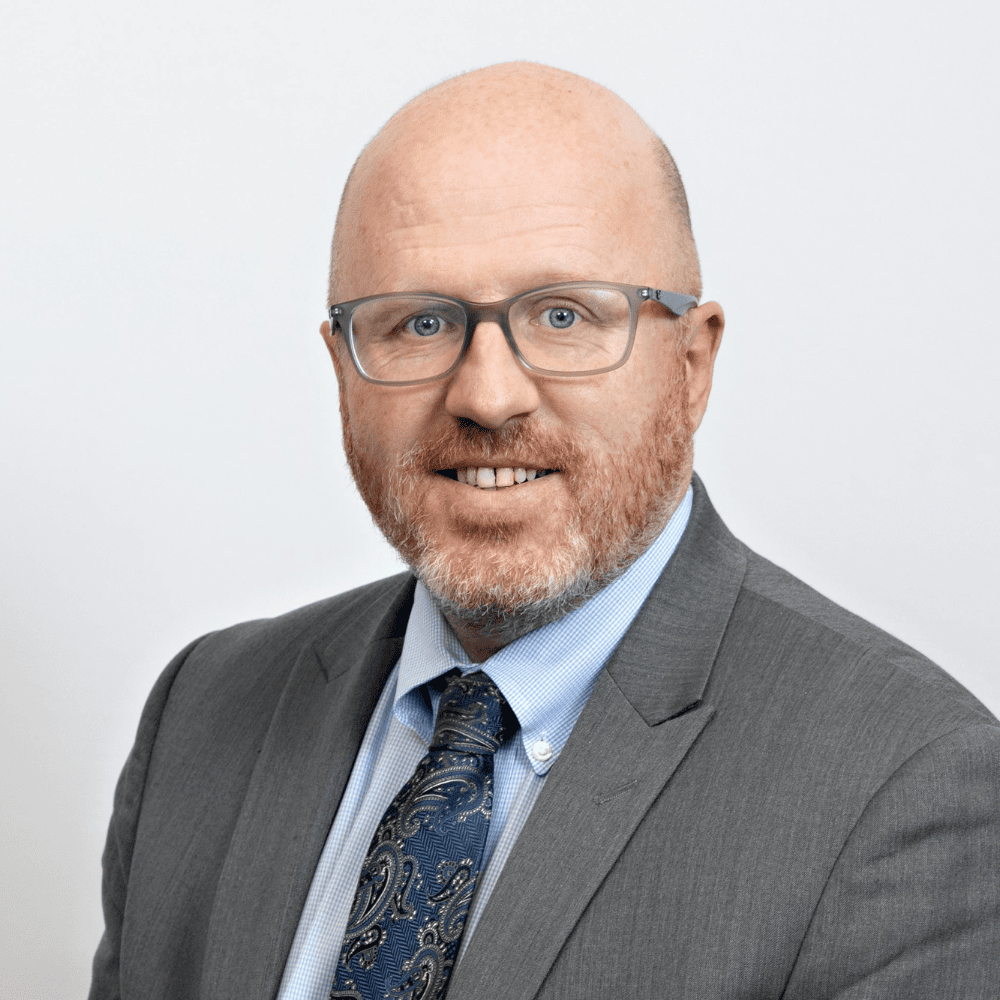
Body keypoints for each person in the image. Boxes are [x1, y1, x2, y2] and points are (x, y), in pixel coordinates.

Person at [89, 62, 999, 1000]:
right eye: (420, 323)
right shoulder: (203, 713)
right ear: (342, 369)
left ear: (692, 363)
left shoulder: (907, 789)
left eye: (564, 315)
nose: (487, 395)